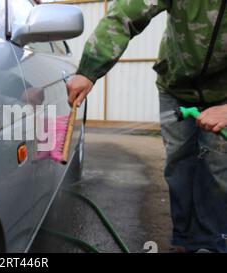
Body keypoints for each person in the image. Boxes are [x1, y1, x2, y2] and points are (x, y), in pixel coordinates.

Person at [67, 0, 227, 252]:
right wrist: (89, 69)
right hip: (175, 86)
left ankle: (213, 242)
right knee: (179, 164)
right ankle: (184, 240)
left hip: (223, 95)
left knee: (217, 171)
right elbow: (124, 15)